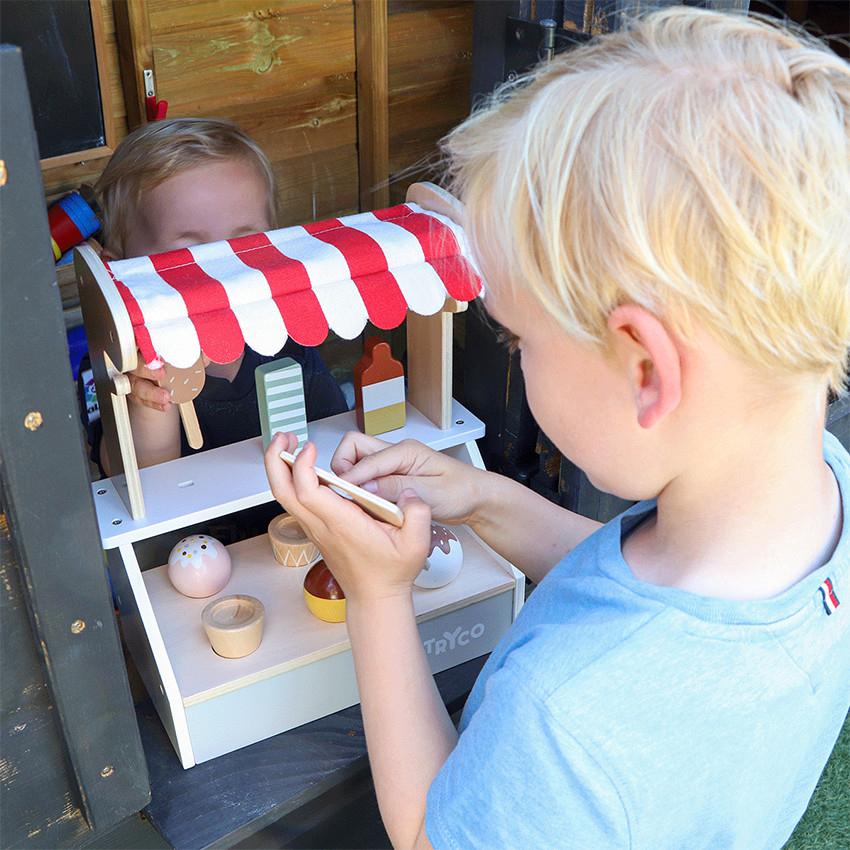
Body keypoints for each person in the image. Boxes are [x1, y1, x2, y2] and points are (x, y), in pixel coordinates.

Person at [264, 7, 850, 849]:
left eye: (517, 337)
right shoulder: (820, 481)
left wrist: (377, 593)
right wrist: (484, 497)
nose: (512, 351)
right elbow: (633, 593)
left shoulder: (563, 720)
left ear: (644, 369)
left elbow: (429, 835)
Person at [79, 117, 347, 475]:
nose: (223, 272)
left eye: (244, 243)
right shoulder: (111, 362)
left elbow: (337, 442)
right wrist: (151, 399)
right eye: (190, 254)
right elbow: (141, 483)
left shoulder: (285, 343)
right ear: (119, 273)